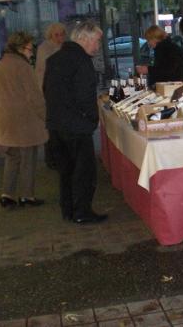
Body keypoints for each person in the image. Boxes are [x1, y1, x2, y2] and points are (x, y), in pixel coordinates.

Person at [44, 20, 106, 224]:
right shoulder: (82, 61)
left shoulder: (54, 59)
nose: (98, 46)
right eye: (96, 41)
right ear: (84, 39)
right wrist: (91, 119)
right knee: (83, 171)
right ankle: (82, 212)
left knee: (66, 171)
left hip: (56, 124)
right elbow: (85, 96)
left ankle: (68, 209)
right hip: (77, 126)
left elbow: (47, 91)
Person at [0, 32, 47, 207]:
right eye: (30, 48)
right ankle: (27, 195)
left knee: (12, 156)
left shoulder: (1, 64)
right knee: (28, 157)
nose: (32, 52)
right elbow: (34, 96)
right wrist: (46, 116)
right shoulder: (23, 67)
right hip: (24, 120)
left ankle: (6, 194)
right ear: (20, 48)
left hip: (6, 119)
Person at [34, 22, 67, 169]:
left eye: (62, 34)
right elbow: (42, 70)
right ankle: (51, 158)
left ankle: (61, 155)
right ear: (50, 35)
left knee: (61, 126)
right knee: (51, 126)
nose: (60, 37)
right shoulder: (44, 48)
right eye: (57, 35)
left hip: (62, 92)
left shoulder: (64, 48)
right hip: (48, 92)